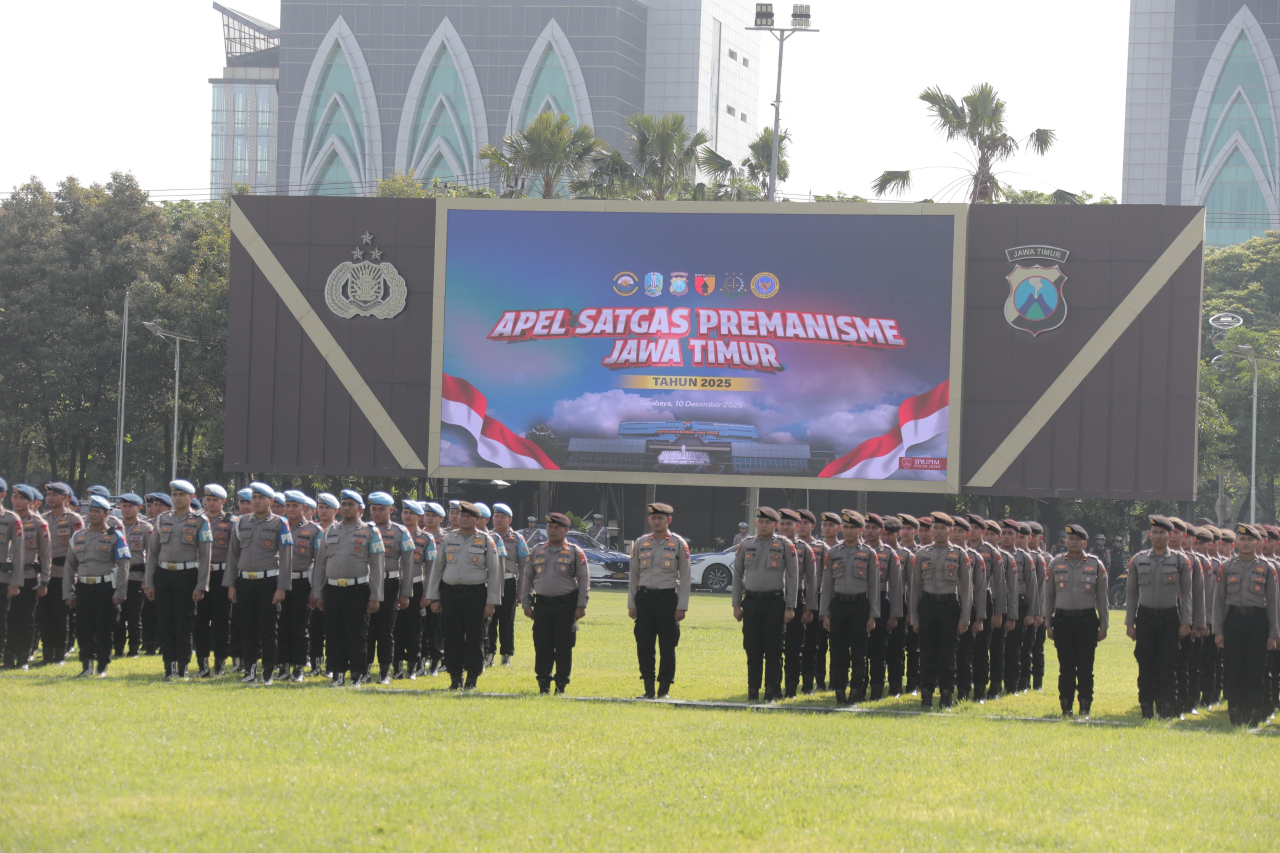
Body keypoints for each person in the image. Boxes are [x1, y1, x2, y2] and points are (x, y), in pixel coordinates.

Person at [312, 490, 384, 687]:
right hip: (333, 590)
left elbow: (377, 567)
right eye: (343, 504)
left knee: (357, 634)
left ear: (360, 509)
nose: (346, 508)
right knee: (334, 634)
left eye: (351, 504)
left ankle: (356, 676)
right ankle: (337, 674)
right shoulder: (329, 530)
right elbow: (320, 565)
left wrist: (376, 595)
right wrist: (318, 593)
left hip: (358, 590)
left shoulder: (370, 531)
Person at [143, 481, 213, 681]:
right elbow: (153, 552)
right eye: (174, 495)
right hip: (164, 575)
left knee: (183, 623)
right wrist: (149, 582)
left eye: (182, 494)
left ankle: (182, 668)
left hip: (187, 575)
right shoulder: (162, 519)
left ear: (191, 497)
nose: (177, 498)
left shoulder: (201, 521)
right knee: (165, 623)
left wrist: (201, 585)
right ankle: (169, 667)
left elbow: (205, 556)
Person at [426, 501, 500, 690]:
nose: (464, 519)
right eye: (461, 516)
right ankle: (454, 677)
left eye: (468, 516)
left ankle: (472, 678)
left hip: (475, 595)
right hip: (450, 595)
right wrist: (434, 597)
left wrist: (491, 602)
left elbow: (494, 572)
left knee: (475, 638)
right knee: (451, 637)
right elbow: (437, 569)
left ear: (477, 520)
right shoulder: (449, 539)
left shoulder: (485, 540)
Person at [1125, 515, 1193, 719]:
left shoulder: (1180, 560)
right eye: (1154, 532)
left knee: (1168, 665)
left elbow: (1187, 593)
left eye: (1162, 533)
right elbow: (1131, 593)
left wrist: (1186, 622)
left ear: (1170, 535)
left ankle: (1166, 708)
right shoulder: (1138, 560)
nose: (1158, 536)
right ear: (1149, 535)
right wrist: (1130, 622)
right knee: (1146, 664)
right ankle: (1146, 706)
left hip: (1170, 618)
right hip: (1145, 618)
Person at [224, 482, 291, 685]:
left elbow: (287, 557)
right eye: (254, 498)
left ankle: (268, 672)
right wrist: (231, 584)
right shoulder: (240, 522)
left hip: (268, 583)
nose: (256, 501)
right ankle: (249, 670)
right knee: (247, 629)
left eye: (261, 498)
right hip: (244, 582)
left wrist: (282, 587)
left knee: (269, 630)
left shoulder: (280, 523)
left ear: (271, 501)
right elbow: (233, 556)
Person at [1214, 523, 1280, 726]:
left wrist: (1273, 633)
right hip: (1233, 621)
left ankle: (1253, 712)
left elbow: (1272, 603)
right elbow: (1219, 601)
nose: (1246, 543)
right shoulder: (1226, 567)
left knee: (1255, 669)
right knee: (1234, 669)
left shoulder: (1267, 568)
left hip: (1257, 622)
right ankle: (1235, 710)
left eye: (1250, 539)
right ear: (1236, 542)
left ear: (1258, 542)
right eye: (1242, 539)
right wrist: (1218, 631)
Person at [732, 506, 799, 703]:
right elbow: (737, 575)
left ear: (775, 525)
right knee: (752, 649)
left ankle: (771, 691)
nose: (763, 525)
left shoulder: (784, 544)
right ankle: (753, 691)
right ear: (755, 523)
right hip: (751, 603)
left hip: (775, 603)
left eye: (768, 522)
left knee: (773, 649)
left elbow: (793, 576)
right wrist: (736, 604)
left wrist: (790, 606)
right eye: (760, 522)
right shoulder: (745, 545)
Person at [520, 512, 590, 694]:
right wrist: (526, 603)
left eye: (557, 528)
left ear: (566, 530)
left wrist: (581, 605)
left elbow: (584, 580)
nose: (552, 531)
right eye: (550, 527)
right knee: (542, 646)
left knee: (563, 647)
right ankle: (543, 682)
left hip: (565, 606)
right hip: (542, 606)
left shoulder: (575, 552)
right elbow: (527, 577)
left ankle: (561, 685)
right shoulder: (537, 550)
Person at [908, 511, 972, 709]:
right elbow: (915, 587)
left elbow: (966, 588)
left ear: (950, 531)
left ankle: (946, 694)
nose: (938, 531)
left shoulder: (960, 554)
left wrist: (965, 619)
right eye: (935, 527)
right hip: (927, 606)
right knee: (926, 652)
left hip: (949, 607)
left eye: (943, 528)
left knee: (947, 653)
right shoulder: (921, 554)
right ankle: (926, 693)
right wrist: (915, 618)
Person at [1043, 524, 1109, 717]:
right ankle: (1066, 706)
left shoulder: (1096, 564)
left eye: (1077, 539)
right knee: (1066, 667)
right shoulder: (1055, 564)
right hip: (1062, 621)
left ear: (1084, 543)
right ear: (1065, 542)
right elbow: (1049, 596)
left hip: (1087, 621)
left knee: (1086, 667)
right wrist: (1048, 622)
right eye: (1070, 539)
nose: (1073, 542)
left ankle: (1085, 706)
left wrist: (1103, 625)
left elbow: (1102, 598)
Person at [628, 502, 691, 699]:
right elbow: (634, 575)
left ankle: (664, 690)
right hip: (645, 600)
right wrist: (631, 603)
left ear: (668, 520)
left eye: (660, 518)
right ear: (649, 520)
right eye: (653, 518)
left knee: (667, 645)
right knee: (644, 645)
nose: (657, 521)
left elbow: (686, 577)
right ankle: (648, 689)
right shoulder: (640, 543)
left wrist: (682, 606)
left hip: (667, 600)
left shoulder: (678, 543)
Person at [64, 496, 130, 677]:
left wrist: (120, 592)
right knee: (83, 628)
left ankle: (102, 666)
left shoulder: (115, 536)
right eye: (90, 511)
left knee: (104, 628)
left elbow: (123, 565)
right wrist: (68, 591)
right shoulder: (78, 536)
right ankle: (87, 666)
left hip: (105, 587)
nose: (92, 514)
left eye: (97, 511)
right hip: (84, 588)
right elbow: (70, 566)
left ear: (106, 514)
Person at [820, 509, 878, 706]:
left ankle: (856, 690)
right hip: (838, 606)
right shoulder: (832, 552)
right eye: (845, 527)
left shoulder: (869, 553)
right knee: (837, 650)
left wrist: (873, 614)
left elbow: (874, 586)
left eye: (852, 527)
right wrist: (825, 613)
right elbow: (826, 585)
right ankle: (839, 689)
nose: (848, 531)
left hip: (860, 607)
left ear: (860, 530)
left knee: (859, 652)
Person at [365, 491, 412, 685]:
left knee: (386, 629)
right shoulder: (363, 529)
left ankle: (385, 671)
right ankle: (365, 670)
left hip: (390, 584)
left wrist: (405, 593)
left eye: (381, 509)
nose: (377, 513)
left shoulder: (401, 532)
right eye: (374, 509)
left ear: (391, 510)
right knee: (366, 630)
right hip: (366, 584)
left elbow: (408, 564)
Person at [193, 485, 234, 676]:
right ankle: (203, 665)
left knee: (221, 621)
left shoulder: (231, 522)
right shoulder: (196, 520)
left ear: (223, 501)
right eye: (208, 500)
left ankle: (219, 664)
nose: (210, 503)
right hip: (201, 574)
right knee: (200, 621)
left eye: (215, 500)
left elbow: (234, 553)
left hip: (221, 576)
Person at [39, 482, 82, 666]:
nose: (50, 498)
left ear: (66, 498)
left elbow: (79, 548)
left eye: (55, 495)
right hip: (45, 574)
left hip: (65, 573)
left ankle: (59, 654)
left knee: (60, 615)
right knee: (44, 615)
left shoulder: (74, 519)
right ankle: (47, 653)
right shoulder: (43, 519)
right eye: (48, 495)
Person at [279, 491, 320, 682]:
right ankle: (283, 667)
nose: (290, 509)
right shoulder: (278, 526)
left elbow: (319, 563)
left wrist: (315, 590)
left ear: (304, 508)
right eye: (288, 505)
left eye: (295, 505)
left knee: (300, 626)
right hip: (279, 582)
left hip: (302, 582)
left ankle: (298, 668)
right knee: (282, 626)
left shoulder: (314, 530)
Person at [394, 501, 436, 680]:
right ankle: (396, 667)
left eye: (412, 513)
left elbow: (431, 568)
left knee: (414, 629)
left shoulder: (426, 539)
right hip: (395, 586)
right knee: (395, 628)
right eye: (405, 512)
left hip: (417, 587)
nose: (407, 516)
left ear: (420, 517)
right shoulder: (394, 534)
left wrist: (427, 593)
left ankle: (412, 667)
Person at [863, 513, 903, 701]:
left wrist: (895, 614)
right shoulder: (853, 549)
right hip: (858, 600)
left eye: (874, 528)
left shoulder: (889, 553)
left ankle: (877, 689)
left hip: (880, 600)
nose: (870, 531)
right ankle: (858, 687)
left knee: (879, 649)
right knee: (859, 648)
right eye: (867, 527)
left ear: (882, 531)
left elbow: (895, 587)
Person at [777, 509, 815, 699]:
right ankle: (774, 686)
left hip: (797, 599)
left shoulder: (804, 549)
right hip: (775, 598)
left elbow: (812, 581)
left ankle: (791, 687)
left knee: (794, 647)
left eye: (789, 524)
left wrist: (809, 608)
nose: (785, 527)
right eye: (782, 523)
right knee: (774, 646)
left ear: (797, 526)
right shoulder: (772, 545)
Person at [7, 484, 45, 671]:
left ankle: (23, 658)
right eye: (15, 497)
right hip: (6, 577)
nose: (17, 501)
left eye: (22, 498)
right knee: (8, 619)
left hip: (28, 577)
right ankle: (8, 657)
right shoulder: (6, 520)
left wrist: (44, 581)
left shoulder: (38, 523)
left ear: (31, 502)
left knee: (25, 619)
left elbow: (46, 555)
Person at [950, 516, 986, 703]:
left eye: (961, 531)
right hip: (944, 606)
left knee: (965, 653)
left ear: (967, 534)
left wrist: (979, 618)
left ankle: (965, 690)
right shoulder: (936, 553)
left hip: (966, 608)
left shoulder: (975, 557)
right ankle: (946, 689)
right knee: (945, 652)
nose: (956, 534)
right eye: (954, 531)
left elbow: (980, 590)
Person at [112, 494, 151, 660]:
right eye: (124, 506)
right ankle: (118, 647)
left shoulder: (145, 528)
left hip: (136, 577)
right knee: (117, 615)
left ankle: (134, 648)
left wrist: (147, 579)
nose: (126, 509)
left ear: (139, 508)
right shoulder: (113, 527)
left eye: (130, 506)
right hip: (116, 577)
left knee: (134, 615)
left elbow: (151, 555)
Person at [490, 503, 528, 667]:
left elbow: (524, 568)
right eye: (496, 516)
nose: (498, 520)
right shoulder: (486, 536)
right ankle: (488, 653)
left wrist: (521, 592)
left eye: (502, 517)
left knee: (506, 621)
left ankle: (506, 655)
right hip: (489, 582)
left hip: (508, 582)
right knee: (489, 619)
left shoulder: (518, 539)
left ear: (510, 520)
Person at [797, 509, 828, 695]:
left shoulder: (822, 548)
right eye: (798, 522)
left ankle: (815, 681)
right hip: (793, 596)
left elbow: (826, 577)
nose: (801, 526)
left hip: (815, 597)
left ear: (813, 526)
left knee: (814, 643)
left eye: (805, 523)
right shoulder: (790, 545)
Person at [309, 492, 338, 675]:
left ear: (336, 511)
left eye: (327, 507)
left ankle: (331, 665)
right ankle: (315, 664)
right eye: (321, 507)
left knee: (332, 628)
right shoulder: (313, 530)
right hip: (314, 583)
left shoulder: (338, 530)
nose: (323, 510)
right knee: (315, 627)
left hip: (334, 583)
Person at [0, 479, 28, 670]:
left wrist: (15, 582)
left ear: (2, 495)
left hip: (2, 579)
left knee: (2, 620)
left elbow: (18, 552)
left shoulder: (11, 519)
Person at [419, 501, 447, 676]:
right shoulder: (416, 537)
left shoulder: (448, 538)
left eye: (433, 516)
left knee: (438, 627)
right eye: (427, 515)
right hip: (421, 586)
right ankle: (421, 660)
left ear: (441, 519)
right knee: (422, 626)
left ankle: (436, 662)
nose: (429, 518)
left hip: (441, 587)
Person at [897, 514, 923, 693]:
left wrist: (913, 611)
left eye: (909, 529)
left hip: (913, 603)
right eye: (902, 528)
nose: (905, 532)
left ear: (916, 531)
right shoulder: (893, 550)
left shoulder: (920, 552)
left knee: (914, 647)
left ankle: (913, 683)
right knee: (896, 645)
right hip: (896, 602)